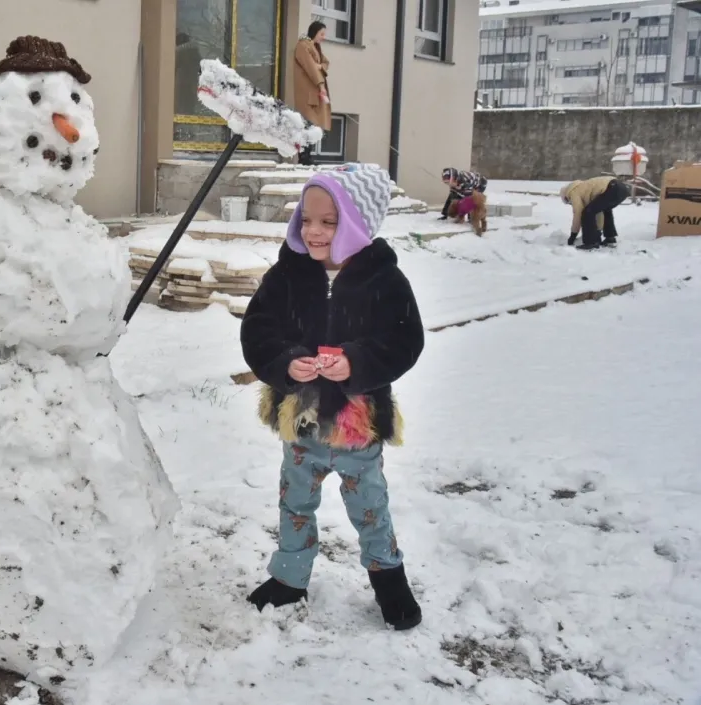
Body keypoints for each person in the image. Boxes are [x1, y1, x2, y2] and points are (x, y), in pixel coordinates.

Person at [240, 163, 425, 631]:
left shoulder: (383, 279)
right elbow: (258, 330)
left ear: (358, 224)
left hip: (355, 421)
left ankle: (389, 580)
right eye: (306, 219)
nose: (313, 231)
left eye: (328, 221)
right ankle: (290, 577)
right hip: (300, 418)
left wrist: (357, 363)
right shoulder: (287, 274)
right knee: (295, 501)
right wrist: (285, 361)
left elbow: (405, 341)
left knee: (369, 506)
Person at [293, 22, 332, 166]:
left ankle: (307, 156)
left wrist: (320, 66)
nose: (323, 37)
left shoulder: (315, 47)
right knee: (307, 123)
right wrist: (321, 85)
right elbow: (311, 68)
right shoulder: (303, 46)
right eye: (321, 34)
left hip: (313, 92)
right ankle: (304, 157)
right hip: (307, 92)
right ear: (314, 32)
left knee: (313, 124)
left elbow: (325, 63)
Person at [560, 176, 631, 250]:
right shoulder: (584, 187)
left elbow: (578, 214)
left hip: (612, 188)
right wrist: (597, 232)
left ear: (566, 197)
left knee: (587, 212)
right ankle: (610, 238)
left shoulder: (573, 192)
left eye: (569, 202)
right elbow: (598, 212)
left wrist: (573, 235)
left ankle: (591, 242)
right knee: (605, 210)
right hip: (621, 188)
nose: (571, 203)